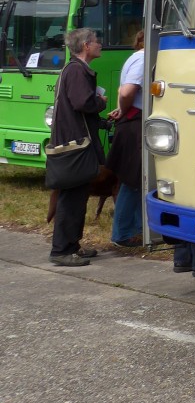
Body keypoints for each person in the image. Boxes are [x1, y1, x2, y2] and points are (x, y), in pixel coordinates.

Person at [47, 28, 107, 267]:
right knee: (71, 200)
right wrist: (100, 102)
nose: (100, 45)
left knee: (77, 198)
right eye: (96, 41)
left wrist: (102, 121)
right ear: (85, 46)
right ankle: (61, 250)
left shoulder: (74, 69)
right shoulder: (76, 70)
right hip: (75, 146)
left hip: (76, 143)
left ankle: (72, 246)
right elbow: (83, 103)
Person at [106, 29, 144, 247]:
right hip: (134, 123)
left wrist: (121, 109)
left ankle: (138, 228)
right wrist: (125, 109)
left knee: (136, 179)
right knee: (133, 180)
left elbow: (122, 90)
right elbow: (127, 92)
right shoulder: (143, 59)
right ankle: (121, 233)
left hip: (131, 121)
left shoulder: (133, 58)